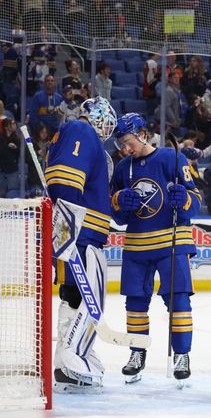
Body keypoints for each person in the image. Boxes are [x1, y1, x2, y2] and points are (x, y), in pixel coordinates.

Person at [110, 113, 203, 386]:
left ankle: (182, 355)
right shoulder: (122, 168)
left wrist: (184, 198)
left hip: (171, 242)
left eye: (127, 141)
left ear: (142, 133)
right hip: (137, 244)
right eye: (120, 145)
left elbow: (196, 201)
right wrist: (119, 201)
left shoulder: (171, 158)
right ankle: (137, 353)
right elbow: (118, 216)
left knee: (178, 301)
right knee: (135, 303)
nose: (125, 149)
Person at [45, 97, 117, 393]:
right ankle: (70, 356)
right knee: (90, 300)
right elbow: (65, 181)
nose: (108, 128)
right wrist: (69, 225)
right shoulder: (81, 130)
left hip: (78, 230)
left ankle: (70, 356)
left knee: (74, 295)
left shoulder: (76, 133)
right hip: (82, 232)